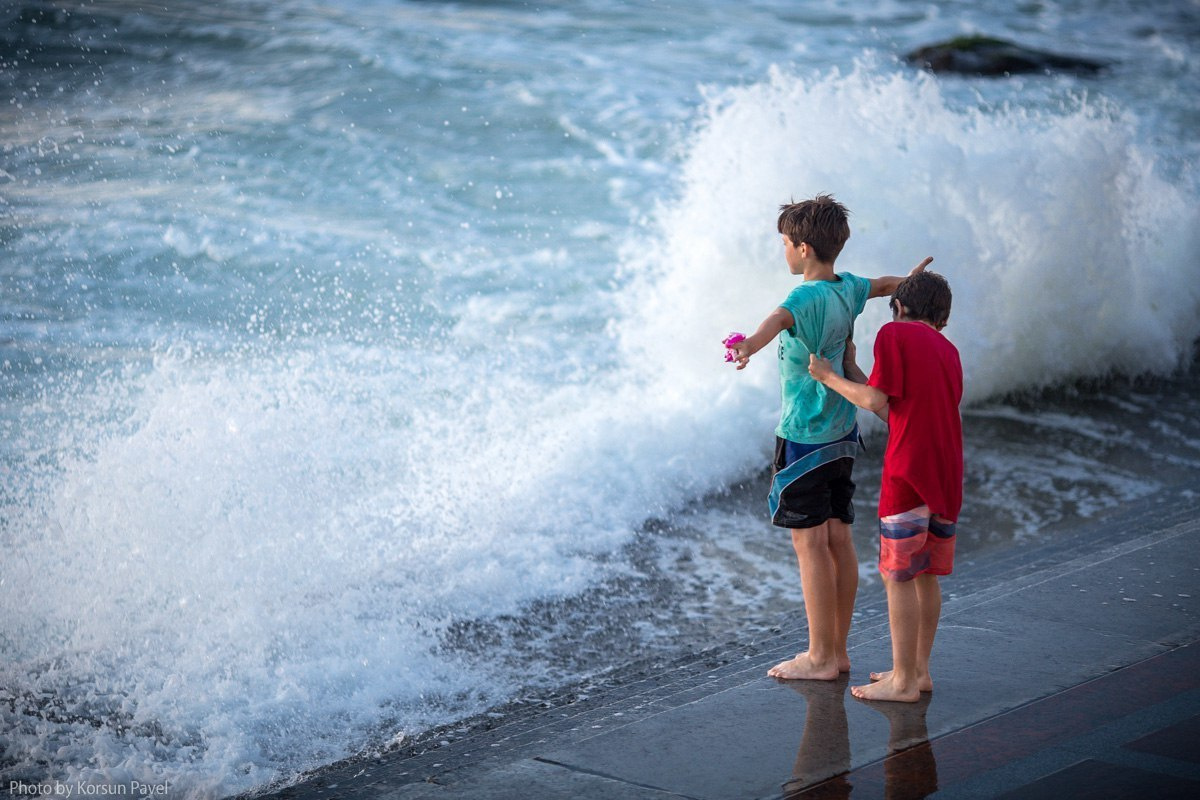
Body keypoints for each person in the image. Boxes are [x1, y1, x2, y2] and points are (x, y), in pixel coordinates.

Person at [727, 194, 931, 681]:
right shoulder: (849, 288)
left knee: (809, 546)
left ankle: (820, 657)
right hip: (843, 433)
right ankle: (836, 651)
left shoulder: (800, 298)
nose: (783, 252)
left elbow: (775, 321)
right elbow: (884, 285)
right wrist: (913, 282)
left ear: (801, 248)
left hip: (804, 437)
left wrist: (749, 348)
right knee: (838, 537)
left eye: (784, 244)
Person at [807, 270, 962, 702]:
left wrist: (828, 376)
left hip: (908, 474)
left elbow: (875, 402)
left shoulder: (894, 335)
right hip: (946, 474)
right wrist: (855, 368)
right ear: (943, 320)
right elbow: (898, 409)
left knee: (899, 575)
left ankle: (903, 683)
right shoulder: (949, 352)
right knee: (926, 574)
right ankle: (917, 672)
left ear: (897, 307)